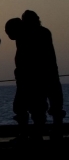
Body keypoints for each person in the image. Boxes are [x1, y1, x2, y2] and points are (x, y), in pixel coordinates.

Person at [18, 11, 64, 141]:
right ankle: (55, 131)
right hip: (50, 74)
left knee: (39, 107)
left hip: (38, 76)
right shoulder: (44, 32)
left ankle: (40, 132)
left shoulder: (27, 34)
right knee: (52, 106)